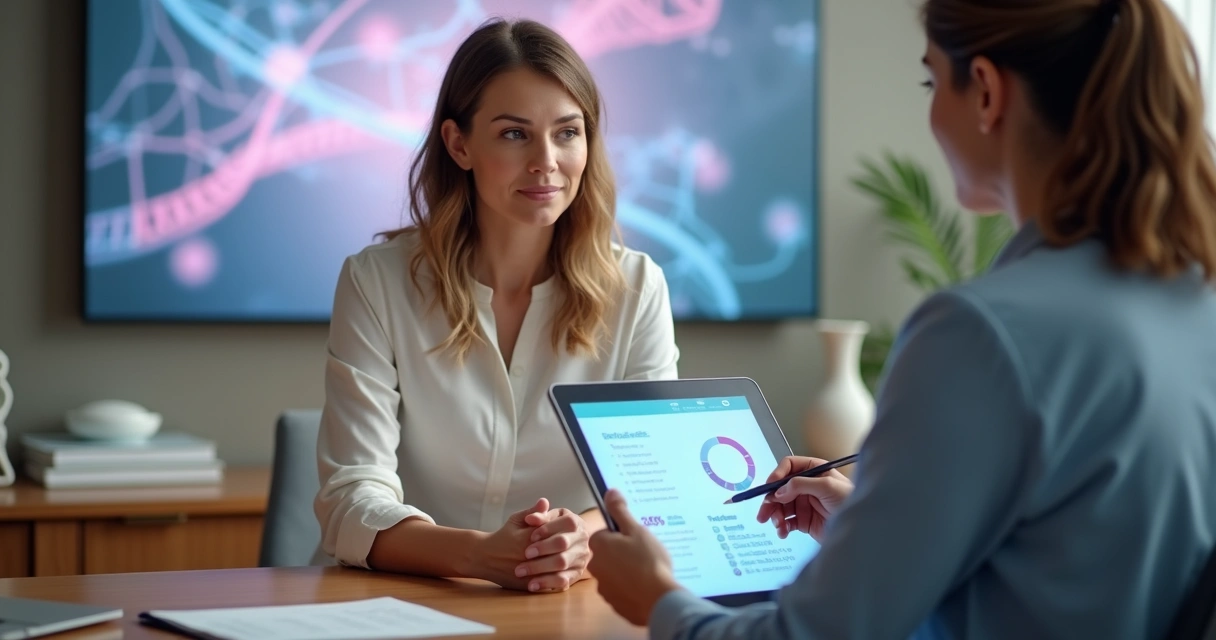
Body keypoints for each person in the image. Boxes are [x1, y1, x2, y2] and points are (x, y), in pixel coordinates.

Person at [588, 0, 1216, 637]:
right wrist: (877, 527)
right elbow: (1067, 558)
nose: (931, 110)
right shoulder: (1193, 301)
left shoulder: (981, 334)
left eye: (931, 79)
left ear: (988, 94)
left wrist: (659, 598)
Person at [314, 18, 679, 594]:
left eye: (567, 132)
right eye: (514, 134)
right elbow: (352, 499)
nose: (546, 161)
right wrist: (483, 556)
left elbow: (651, 487)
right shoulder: (376, 281)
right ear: (459, 144)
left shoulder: (637, 289)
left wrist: (568, 544)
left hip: (569, 606)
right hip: (398, 604)